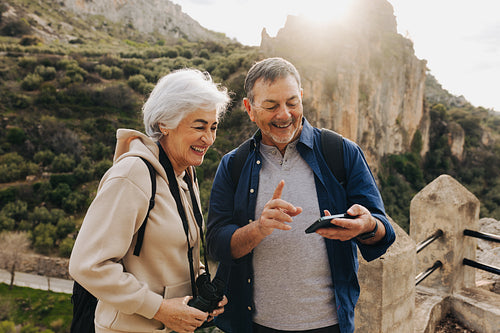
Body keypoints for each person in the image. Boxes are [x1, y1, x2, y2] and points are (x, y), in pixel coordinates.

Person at [206, 57, 396, 333]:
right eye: (271, 106)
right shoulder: (233, 165)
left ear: (302, 98)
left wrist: (366, 226)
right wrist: (258, 228)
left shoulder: (341, 152)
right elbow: (215, 244)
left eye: (292, 103)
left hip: (330, 325)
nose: (284, 115)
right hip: (255, 325)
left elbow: (384, 231)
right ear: (249, 109)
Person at [69, 68, 230, 333]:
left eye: (213, 127)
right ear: (164, 123)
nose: (209, 138)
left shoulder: (184, 174)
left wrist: (201, 282)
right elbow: (87, 265)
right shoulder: (132, 174)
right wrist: (160, 309)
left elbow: (177, 249)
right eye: (199, 126)